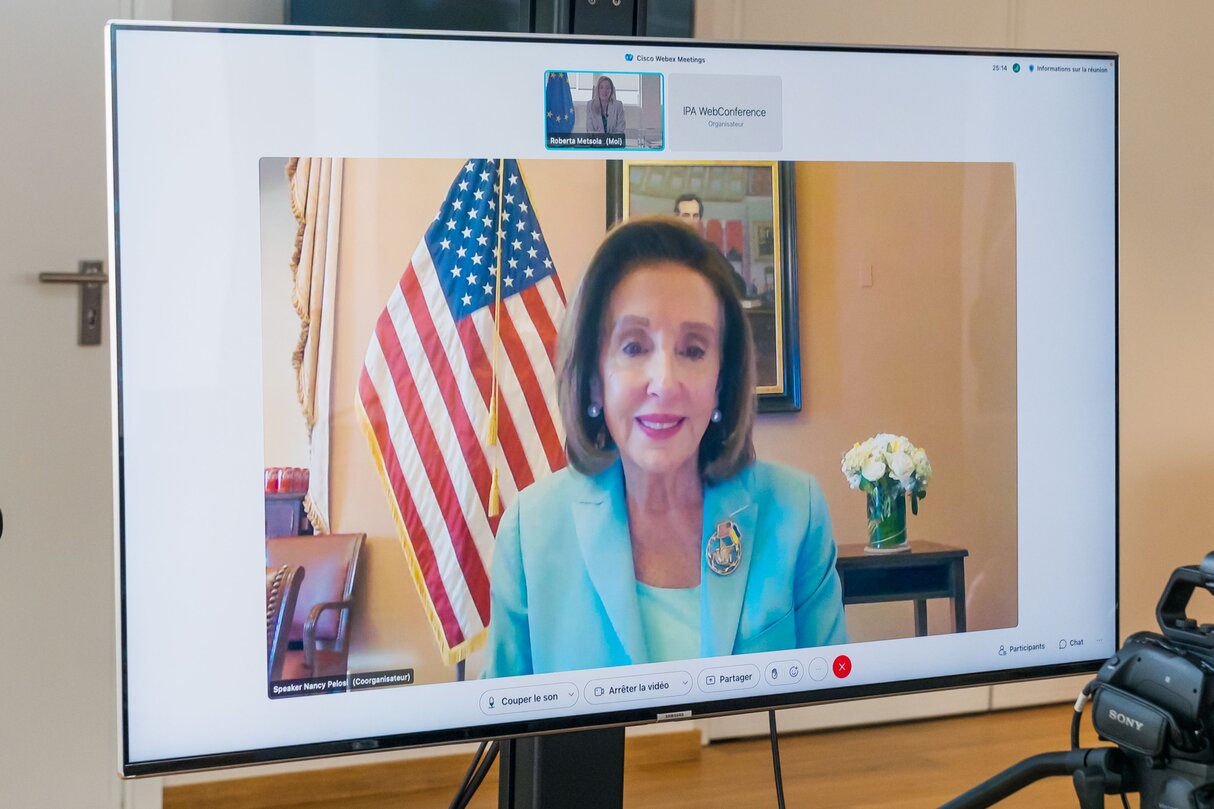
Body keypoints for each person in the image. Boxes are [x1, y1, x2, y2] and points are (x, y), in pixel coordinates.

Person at [485, 217, 847, 678]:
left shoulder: (798, 512)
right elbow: (503, 736)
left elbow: (834, 716)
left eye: (693, 351)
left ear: (722, 381)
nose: (665, 382)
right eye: (634, 347)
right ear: (594, 381)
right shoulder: (529, 530)